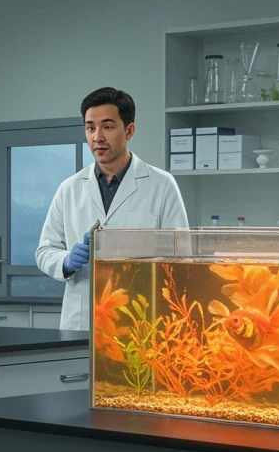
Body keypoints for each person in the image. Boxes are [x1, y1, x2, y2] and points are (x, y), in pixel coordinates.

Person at [36, 86, 188, 332]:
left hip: (140, 318)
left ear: (129, 130)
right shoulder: (70, 188)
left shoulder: (161, 185)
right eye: (90, 127)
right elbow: (44, 251)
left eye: (107, 127)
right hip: (81, 322)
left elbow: (182, 254)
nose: (97, 137)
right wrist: (67, 261)